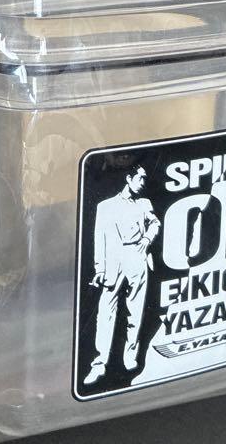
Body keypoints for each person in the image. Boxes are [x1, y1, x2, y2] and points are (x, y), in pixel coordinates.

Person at [84, 162, 161, 385]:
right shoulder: (106, 206)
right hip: (114, 261)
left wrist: (147, 239)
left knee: (135, 311)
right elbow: (99, 238)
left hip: (137, 258)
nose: (143, 182)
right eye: (140, 178)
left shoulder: (144, 203)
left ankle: (130, 356)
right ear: (128, 178)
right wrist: (99, 268)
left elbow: (155, 223)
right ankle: (99, 364)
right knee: (105, 313)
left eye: (145, 179)